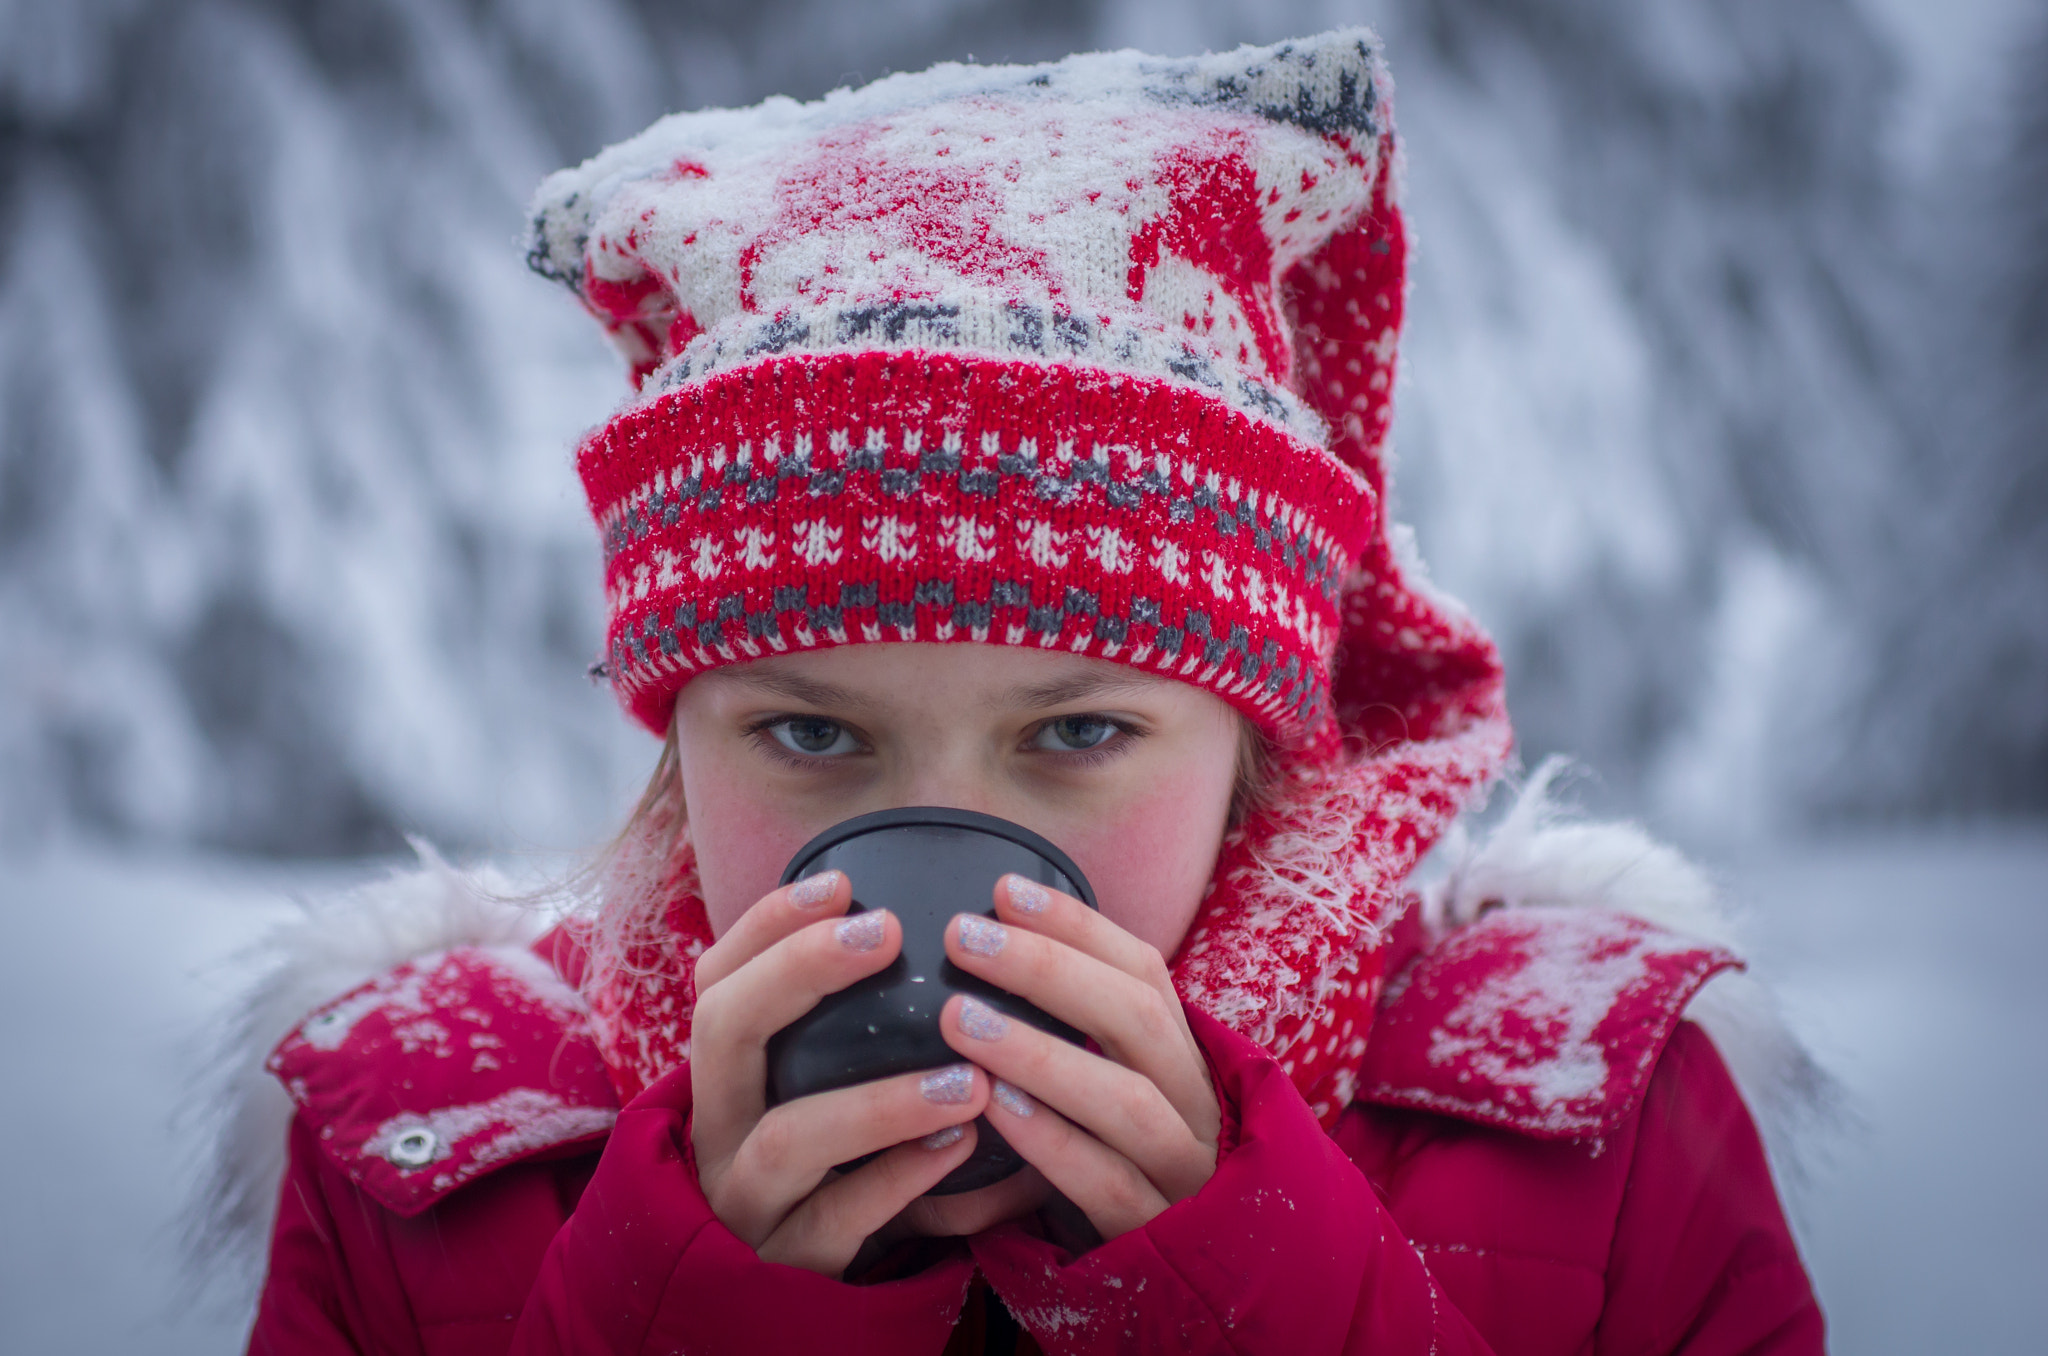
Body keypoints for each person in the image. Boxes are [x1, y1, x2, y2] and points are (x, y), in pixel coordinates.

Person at [230, 29, 1825, 1354]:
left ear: (1257, 743)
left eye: (1075, 733)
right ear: (671, 734)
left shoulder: (1600, 1136)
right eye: (810, 731)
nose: (957, 863)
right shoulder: (424, 1169)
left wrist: (1258, 1296)